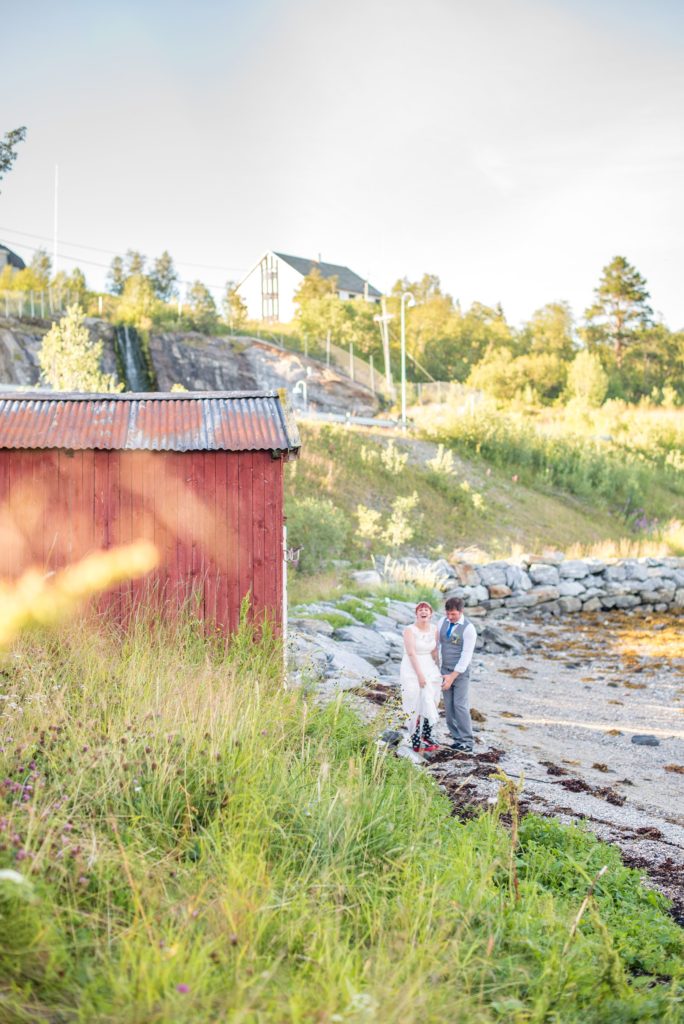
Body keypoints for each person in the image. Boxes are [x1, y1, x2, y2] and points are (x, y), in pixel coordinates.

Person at [399, 601, 443, 753]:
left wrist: (439, 668)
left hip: (429, 665)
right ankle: (414, 736)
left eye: (426, 610)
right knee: (415, 699)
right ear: (416, 614)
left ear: (431, 614)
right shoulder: (409, 630)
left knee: (432, 698)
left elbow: (435, 651)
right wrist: (420, 675)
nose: (423, 612)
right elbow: (411, 653)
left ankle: (427, 734)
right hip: (412, 666)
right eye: (420, 610)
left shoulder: (435, 629)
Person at [439, 596, 477, 752]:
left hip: (460, 673)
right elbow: (437, 645)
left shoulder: (469, 629)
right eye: (448, 613)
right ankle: (457, 739)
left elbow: (466, 656)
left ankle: (467, 742)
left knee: (460, 706)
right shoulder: (442, 622)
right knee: (448, 707)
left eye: (453, 614)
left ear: (461, 611)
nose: (450, 617)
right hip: (444, 670)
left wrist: (452, 677)